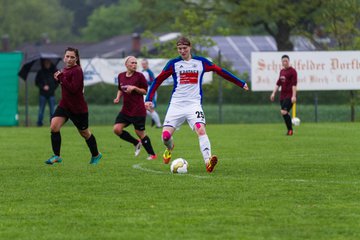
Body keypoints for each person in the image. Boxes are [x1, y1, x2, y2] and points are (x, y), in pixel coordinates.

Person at [145, 36, 249, 173]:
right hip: (176, 105)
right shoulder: (173, 64)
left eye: (184, 48)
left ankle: (208, 161)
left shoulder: (201, 62)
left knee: (201, 129)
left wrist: (240, 83)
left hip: (194, 105)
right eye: (179, 48)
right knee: (165, 137)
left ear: (190, 47)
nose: (182, 51)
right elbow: (157, 80)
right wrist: (148, 98)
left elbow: (221, 71)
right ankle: (169, 148)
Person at [45, 47, 102, 165]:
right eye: (67, 56)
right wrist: (58, 79)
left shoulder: (77, 70)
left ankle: (96, 155)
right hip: (65, 105)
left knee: (85, 133)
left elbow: (73, 89)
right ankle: (57, 156)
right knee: (54, 126)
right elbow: (65, 85)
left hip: (78, 109)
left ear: (76, 58)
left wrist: (61, 78)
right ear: (64, 57)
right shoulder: (64, 70)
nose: (69, 59)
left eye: (72, 57)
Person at [113, 56, 157, 160]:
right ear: (126, 64)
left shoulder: (140, 76)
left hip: (138, 110)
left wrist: (135, 88)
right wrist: (118, 97)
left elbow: (145, 91)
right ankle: (136, 143)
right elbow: (120, 88)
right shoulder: (121, 76)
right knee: (117, 129)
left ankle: (152, 155)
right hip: (126, 110)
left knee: (139, 133)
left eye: (135, 63)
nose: (134, 65)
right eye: (132, 63)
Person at [270, 54, 297, 136]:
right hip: (282, 96)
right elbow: (278, 84)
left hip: (290, 96)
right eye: (283, 61)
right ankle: (290, 130)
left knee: (283, 111)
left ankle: (290, 131)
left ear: (289, 61)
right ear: (281, 62)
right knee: (285, 113)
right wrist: (273, 93)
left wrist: (294, 96)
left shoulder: (293, 71)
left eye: (286, 61)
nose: (285, 62)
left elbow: (294, 85)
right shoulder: (282, 71)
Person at [35, 59, 58, 126]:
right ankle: (39, 123)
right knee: (41, 110)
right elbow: (36, 82)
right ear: (43, 63)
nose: (47, 64)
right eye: (45, 63)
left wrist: (52, 88)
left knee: (52, 110)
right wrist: (43, 87)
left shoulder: (54, 72)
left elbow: (57, 83)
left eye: (48, 63)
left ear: (50, 63)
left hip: (51, 94)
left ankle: (53, 123)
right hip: (42, 94)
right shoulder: (40, 72)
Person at [141, 58, 162, 128]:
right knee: (145, 109)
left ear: (147, 64)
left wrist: (145, 82)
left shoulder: (149, 72)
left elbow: (153, 82)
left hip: (150, 92)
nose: (143, 65)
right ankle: (154, 120)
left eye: (145, 64)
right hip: (144, 93)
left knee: (149, 109)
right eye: (142, 64)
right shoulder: (142, 72)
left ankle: (159, 124)